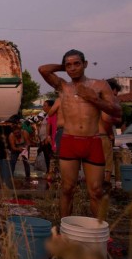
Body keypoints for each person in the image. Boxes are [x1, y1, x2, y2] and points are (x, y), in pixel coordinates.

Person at [39, 49, 121, 218]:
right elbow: (43, 69)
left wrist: (94, 99)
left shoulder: (100, 85)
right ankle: (65, 230)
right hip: (70, 141)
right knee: (67, 189)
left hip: (93, 141)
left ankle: (100, 236)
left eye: (77, 63)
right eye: (69, 65)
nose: (73, 68)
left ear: (85, 64)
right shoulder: (63, 86)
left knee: (96, 191)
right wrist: (63, 67)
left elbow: (117, 111)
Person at [100, 79, 122, 183]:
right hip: (104, 136)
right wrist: (110, 134)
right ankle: (106, 187)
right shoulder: (106, 102)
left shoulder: (96, 100)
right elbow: (105, 118)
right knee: (107, 165)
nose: (115, 97)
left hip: (93, 136)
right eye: (114, 94)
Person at [37, 100, 55, 174]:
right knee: (46, 157)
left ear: (51, 107)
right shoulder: (47, 115)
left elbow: (51, 127)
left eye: (45, 105)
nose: (43, 107)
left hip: (47, 140)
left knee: (49, 157)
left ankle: (50, 173)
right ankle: (48, 172)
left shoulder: (52, 115)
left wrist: (47, 137)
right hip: (43, 140)